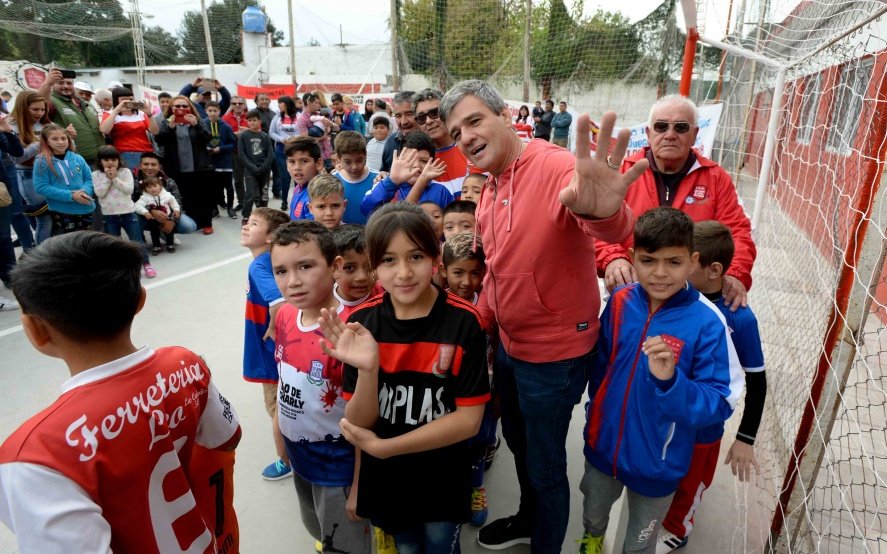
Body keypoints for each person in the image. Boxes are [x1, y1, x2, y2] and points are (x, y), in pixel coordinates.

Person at [440, 79, 648, 552]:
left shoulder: (555, 165)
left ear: (504, 116)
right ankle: (530, 520)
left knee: (546, 465)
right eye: (456, 132)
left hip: (554, 358)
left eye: (474, 120)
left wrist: (607, 214)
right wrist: (475, 329)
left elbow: (607, 220)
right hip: (510, 350)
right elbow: (495, 273)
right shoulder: (490, 186)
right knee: (517, 442)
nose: (466, 137)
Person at [0, 231, 242, 552]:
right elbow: (227, 436)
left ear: (35, 329)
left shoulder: (35, 457)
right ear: (141, 299)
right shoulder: (185, 364)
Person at [317, 202, 490, 553]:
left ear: (435, 258)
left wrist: (386, 447)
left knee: (441, 543)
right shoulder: (363, 324)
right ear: (375, 267)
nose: (404, 273)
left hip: (442, 474)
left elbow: (469, 421)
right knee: (407, 546)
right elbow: (357, 420)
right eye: (389, 260)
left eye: (415, 257)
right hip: (388, 480)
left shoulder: (465, 322)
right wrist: (368, 369)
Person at [578, 207, 741, 554]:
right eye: (649, 260)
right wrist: (596, 414)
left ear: (693, 261)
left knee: (640, 541)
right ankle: (591, 542)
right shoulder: (620, 302)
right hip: (603, 447)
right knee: (592, 514)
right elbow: (601, 366)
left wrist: (672, 383)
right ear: (633, 257)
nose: (660, 274)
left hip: (659, 462)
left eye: (674, 262)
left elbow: (722, 399)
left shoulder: (708, 322)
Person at [657, 220, 766, 553]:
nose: (677, 269)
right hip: (667, 415)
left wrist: (745, 438)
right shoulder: (673, 299)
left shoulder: (740, 318)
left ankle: (677, 527)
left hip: (704, 428)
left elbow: (757, 379)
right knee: (665, 474)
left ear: (713, 269)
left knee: (691, 483)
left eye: (688, 262)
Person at [598, 95, 757, 311]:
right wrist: (613, 258)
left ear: (695, 134)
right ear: (648, 133)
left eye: (681, 127)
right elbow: (596, 225)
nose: (670, 135)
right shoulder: (621, 172)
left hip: (693, 299)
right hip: (633, 293)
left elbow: (737, 231)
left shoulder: (716, 177)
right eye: (661, 126)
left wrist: (735, 273)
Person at [269, 220, 372, 554]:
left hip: (338, 467)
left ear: (335, 266)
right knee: (317, 526)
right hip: (299, 456)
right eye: (281, 271)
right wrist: (279, 434)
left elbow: (364, 419)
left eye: (305, 266)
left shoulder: (351, 331)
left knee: (345, 544)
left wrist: (358, 484)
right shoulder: (285, 315)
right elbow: (285, 378)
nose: (292, 281)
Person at [440, 232, 495, 527]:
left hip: (484, 390)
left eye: (475, 273)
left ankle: (476, 487)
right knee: (448, 443)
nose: (466, 281)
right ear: (443, 270)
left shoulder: (491, 303)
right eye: (458, 272)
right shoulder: (434, 304)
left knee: (479, 441)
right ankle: (451, 488)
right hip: (446, 392)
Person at [239, 206, 294, 481]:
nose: (246, 226)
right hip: (278, 352)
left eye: (255, 223)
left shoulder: (259, 265)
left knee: (278, 409)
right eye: (247, 221)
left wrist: (274, 324)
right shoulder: (271, 260)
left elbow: (279, 301)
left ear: (271, 236)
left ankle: (287, 460)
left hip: (272, 354)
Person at [92, 146, 155, 278]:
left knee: (136, 240)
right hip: (109, 215)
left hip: (128, 212)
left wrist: (115, 178)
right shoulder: (96, 175)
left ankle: (146, 264)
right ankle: (122, 269)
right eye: (106, 159)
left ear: (119, 160)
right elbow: (100, 193)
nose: (110, 162)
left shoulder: (125, 172)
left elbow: (129, 190)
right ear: (100, 161)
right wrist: (108, 179)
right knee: (115, 243)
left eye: (113, 159)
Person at [155, 96, 215, 234]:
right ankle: (192, 222)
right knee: (184, 196)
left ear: (190, 108)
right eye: (177, 106)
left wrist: (196, 125)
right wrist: (170, 128)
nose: (180, 109)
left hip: (198, 167)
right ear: (172, 108)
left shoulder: (197, 121)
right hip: (176, 167)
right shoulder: (167, 122)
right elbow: (159, 140)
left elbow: (208, 138)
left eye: (184, 106)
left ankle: (206, 223)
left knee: (202, 195)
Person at [361, 131, 454, 217]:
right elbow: (366, 209)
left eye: (424, 161)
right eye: (410, 159)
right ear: (399, 159)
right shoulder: (387, 186)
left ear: (432, 163)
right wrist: (391, 181)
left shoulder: (441, 191)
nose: (417, 165)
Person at [33, 124, 95, 236]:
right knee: (69, 246)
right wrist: (71, 196)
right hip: (62, 211)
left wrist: (84, 192)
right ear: (47, 142)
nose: (61, 142)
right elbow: (41, 187)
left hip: (85, 208)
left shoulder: (78, 158)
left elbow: (89, 179)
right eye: (55, 139)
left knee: (87, 242)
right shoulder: (42, 161)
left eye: (63, 138)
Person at [414, 88, 475, 197]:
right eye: (421, 118)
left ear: (447, 112)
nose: (428, 121)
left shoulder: (473, 146)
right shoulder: (415, 160)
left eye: (434, 113)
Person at [8, 91, 51, 245]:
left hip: (50, 173)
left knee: (54, 218)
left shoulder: (46, 123)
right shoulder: (11, 125)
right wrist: (41, 142)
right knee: (44, 220)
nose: (40, 113)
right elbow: (17, 157)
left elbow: (64, 147)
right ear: (23, 107)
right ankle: (41, 259)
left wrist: (67, 138)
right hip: (28, 175)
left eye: (43, 109)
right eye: (35, 109)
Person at [38, 69, 105, 166]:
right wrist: (47, 84)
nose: (65, 86)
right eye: (60, 83)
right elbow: (39, 103)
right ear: (53, 85)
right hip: (73, 161)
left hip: (99, 160)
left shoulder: (86, 104)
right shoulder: (52, 102)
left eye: (69, 83)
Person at [133, 152, 198, 236]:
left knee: (189, 226)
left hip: (167, 213)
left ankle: (164, 232)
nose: (149, 167)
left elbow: (178, 202)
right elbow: (131, 203)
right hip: (144, 214)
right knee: (132, 218)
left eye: (153, 164)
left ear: (159, 167)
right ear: (140, 166)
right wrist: (151, 211)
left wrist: (172, 220)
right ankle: (140, 240)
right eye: (146, 164)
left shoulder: (168, 181)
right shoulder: (133, 182)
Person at [99, 87, 159, 169]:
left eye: (131, 99)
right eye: (124, 100)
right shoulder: (111, 114)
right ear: (117, 100)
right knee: (134, 178)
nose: (128, 102)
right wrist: (116, 110)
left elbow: (155, 131)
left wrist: (149, 115)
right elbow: (104, 130)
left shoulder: (140, 114)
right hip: (126, 152)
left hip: (147, 152)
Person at [0, 116, 22, 308]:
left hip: (2, 188)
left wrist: (6, 130)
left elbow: (16, 151)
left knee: (4, 236)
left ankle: (10, 275)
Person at [237, 110, 275, 223]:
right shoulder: (243, 136)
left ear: (260, 121)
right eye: (249, 120)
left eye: (254, 120)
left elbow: (270, 154)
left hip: (264, 170)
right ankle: (246, 216)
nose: (252, 123)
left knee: (264, 193)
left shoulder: (265, 136)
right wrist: (252, 167)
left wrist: (263, 167)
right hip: (250, 170)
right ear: (246, 121)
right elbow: (241, 154)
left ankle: (262, 215)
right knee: (250, 194)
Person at [333, 131, 378, 225]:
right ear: (338, 158)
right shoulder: (333, 180)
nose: (354, 167)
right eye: (348, 162)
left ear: (365, 154)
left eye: (359, 160)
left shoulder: (377, 178)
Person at [204, 100, 238, 219]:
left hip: (225, 161)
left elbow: (233, 144)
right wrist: (206, 148)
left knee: (228, 186)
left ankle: (230, 207)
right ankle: (215, 209)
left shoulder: (226, 127)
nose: (213, 113)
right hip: (210, 162)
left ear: (219, 111)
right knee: (213, 187)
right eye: (210, 111)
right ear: (206, 111)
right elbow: (198, 142)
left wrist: (221, 149)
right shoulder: (202, 125)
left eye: (215, 111)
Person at [331, 224, 377, 306]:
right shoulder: (326, 307)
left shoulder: (387, 294)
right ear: (333, 268)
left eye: (370, 266)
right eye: (349, 268)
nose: (362, 277)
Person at [134, 176, 180, 256]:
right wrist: (145, 212)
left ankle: (170, 244)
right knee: (154, 233)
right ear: (145, 189)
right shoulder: (145, 197)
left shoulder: (167, 195)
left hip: (167, 217)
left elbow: (174, 202)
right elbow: (137, 206)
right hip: (153, 220)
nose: (153, 189)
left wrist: (176, 210)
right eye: (149, 187)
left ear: (160, 186)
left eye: (155, 186)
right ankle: (156, 246)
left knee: (169, 232)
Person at [269, 96, 301, 206]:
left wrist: (295, 138)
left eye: (280, 103)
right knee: (285, 175)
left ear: (286, 104)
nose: (278, 105)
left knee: (298, 173)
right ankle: (284, 201)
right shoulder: (277, 116)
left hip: (296, 148)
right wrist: (281, 139)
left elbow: (303, 131)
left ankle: (298, 199)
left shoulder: (298, 116)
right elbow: (271, 132)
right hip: (281, 149)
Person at [285, 137, 324, 222]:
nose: (297, 168)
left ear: (318, 163)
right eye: (292, 161)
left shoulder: (319, 194)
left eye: (304, 161)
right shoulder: (298, 188)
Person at [380, 90, 417, 173]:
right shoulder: (391, 142)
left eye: (409, 114)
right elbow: (385, 172)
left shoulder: (434, 141)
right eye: (398, 116)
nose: (403, 122)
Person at [223, 95, 249, 211]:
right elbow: (222, 135)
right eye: (234, 103)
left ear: (244, 104)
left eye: (240, 103)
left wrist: (248, 131)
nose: (237, 105)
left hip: (250, 152)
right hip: (234, 152)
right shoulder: (226, 118)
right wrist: (234, 135)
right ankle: (241, 201)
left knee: (251, 178)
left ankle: (256, 201)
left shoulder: (250, 116)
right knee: (238, 179)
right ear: (231, 105)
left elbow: (260, 131)